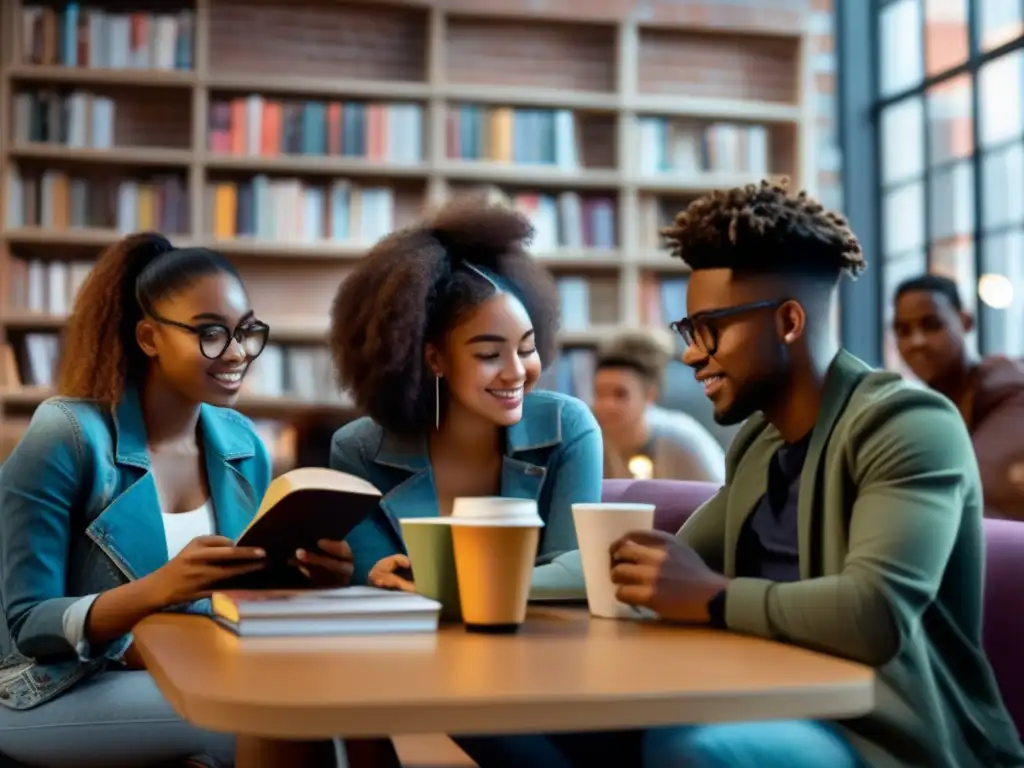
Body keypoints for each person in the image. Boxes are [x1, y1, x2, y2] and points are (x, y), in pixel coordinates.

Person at [0, 233, 360, 768]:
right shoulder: (68, 436)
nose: (237, 353)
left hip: (192, 671)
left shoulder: (243, 447)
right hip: (48, 688)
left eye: (245, 331)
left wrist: (313, 581)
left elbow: (240, 597)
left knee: (347, 716)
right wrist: (158, 590)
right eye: (211, 334)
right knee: (259, 719)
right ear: (149, 337)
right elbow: (29, 624)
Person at [327, 199, 603, 765]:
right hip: (418, 681)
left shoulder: (567, 428)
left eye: (526, 348)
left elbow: (577, 570)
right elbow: (377, 588)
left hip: (550, 669)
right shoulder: (359, 449)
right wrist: (375, 581)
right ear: (432, 357)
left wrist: (444, 589)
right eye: (488, 354)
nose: (516, 371)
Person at [893, 273, 1024, 520]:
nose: (916, 341)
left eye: (931, 325)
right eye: (903, 330)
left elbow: (980, 494)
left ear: (965, 322)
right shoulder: (941, 406)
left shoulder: (1005, 388)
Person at [592, 327, 725, 482]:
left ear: (649, 395)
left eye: (620, 394)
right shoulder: (592, 444)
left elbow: (723, 496)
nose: (606, 405)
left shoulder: (682, 441)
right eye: (598, 393)